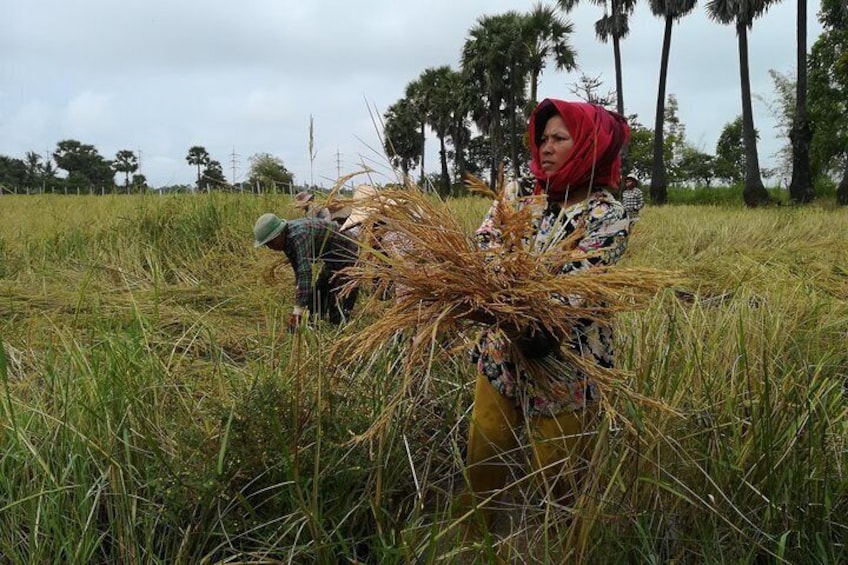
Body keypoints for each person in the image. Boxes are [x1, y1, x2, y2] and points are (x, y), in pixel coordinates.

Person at [466, 99, 632, 524]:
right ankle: (477, 538)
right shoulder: (520, 193)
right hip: (502, 350)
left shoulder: (606, 215)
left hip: (565, 359)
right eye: (542, 139)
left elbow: (572, 292)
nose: (546, 148)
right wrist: (502, 293)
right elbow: (485, 241)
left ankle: (560, 541)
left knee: (556, 472)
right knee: (485, 450)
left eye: (560, 138)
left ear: (589, 145)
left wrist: (502, 298)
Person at [253, 213, 359, 330]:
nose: (270, 247)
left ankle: (339, 330)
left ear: (279, 234)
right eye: (267, 245)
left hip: (350, 253)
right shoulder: (286, 240)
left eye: (270, 243)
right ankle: (310, 327)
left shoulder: (300, 235)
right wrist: (298, 306)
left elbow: (305, 273)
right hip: (332, 259)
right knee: (316, 299)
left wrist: (297, 311)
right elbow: (298, 272)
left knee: (339, 300)